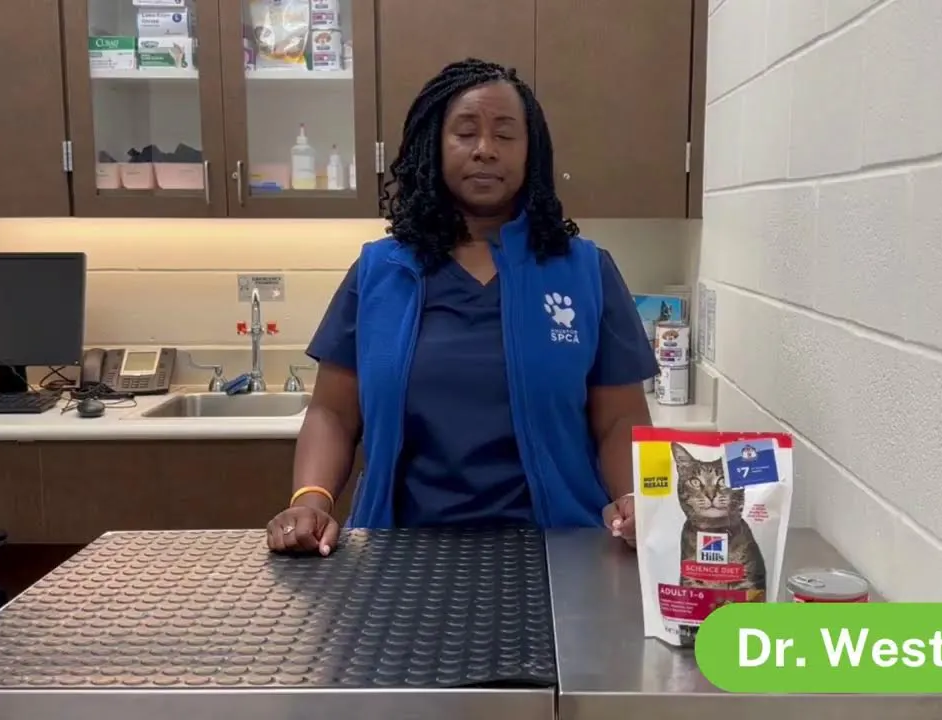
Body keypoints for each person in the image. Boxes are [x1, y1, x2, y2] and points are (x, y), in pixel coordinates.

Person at [266, 58, 657, 555]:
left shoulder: (585, 271)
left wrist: (635, 500)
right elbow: (333, 412)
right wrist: (311, 500)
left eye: (505, 134)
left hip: (562, 549)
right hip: (400, 552)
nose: (485, 149)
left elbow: (620, 419)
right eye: (465, 132)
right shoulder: (380, 271)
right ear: (435, 146)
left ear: (531, 152)